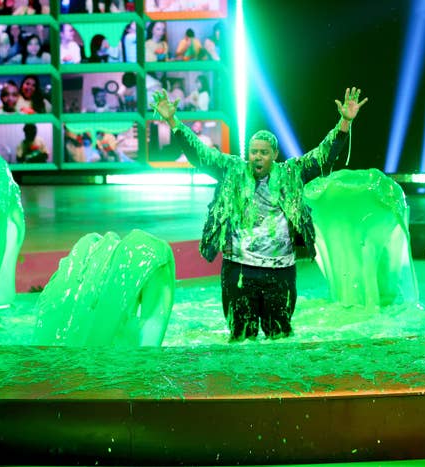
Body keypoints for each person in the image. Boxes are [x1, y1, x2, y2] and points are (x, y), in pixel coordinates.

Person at [151, 84, 368, 342]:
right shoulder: (232, 170)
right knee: (241, 339)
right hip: (239, 270)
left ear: (274, 155)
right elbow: (200, 154)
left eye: (264, 153)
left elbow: (323, 156)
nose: (257, 157)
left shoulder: (290, 173)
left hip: (280, 273)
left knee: (280, 339)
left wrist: (344, 122)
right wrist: (173, 120)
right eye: (254, 152)